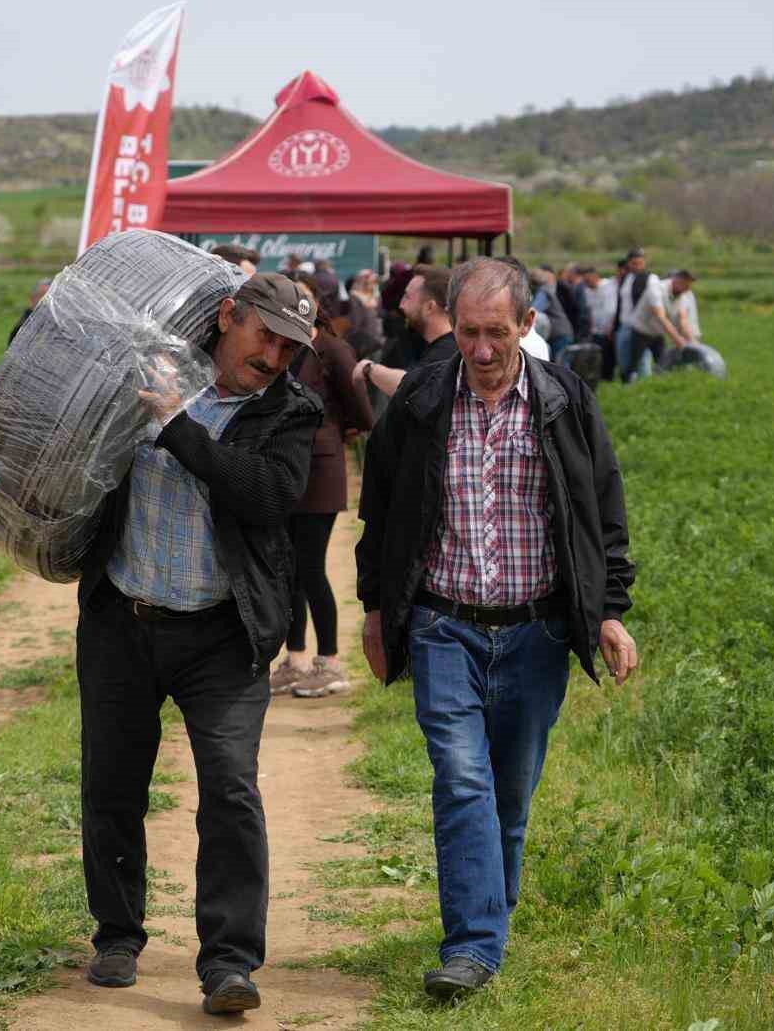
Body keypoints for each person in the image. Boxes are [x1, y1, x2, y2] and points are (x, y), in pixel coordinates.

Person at [0, 272, 322, 1016]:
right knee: (112, 786)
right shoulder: (143, 368)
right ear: (226, 316)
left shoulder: (288, 412)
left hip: (223, 630)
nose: (274, 356)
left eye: (289, 346)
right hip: (124, 618)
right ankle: (117, 935)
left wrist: (179, 425)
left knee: (231, 790)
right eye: (264, 336)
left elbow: (265, 495)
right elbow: (36, 392)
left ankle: (229, 962)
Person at [355, 257, 638, 1001]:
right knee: (462, 778)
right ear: (453, 324)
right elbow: (379, 512)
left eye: (497, 334)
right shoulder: (421, 399)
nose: (480, 351)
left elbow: (601, 507)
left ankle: (490, 910)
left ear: (527, 327)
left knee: (509, 795)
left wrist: (609, 610)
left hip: (535, 632)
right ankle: (474, 946)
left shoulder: (563, 399)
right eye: (469, 333)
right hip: (443, 625)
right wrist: (377, 609)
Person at [273, 284, 375, 699]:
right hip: (286, 469)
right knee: (289, 569)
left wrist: (339, 433)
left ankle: (330, 662)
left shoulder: (332, 350)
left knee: (310, 567)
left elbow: (362, 410)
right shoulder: (284, 346)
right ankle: (295, 659)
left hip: (321, 470)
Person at [354, 264, 455, 398]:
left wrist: (369, 369)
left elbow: (413, 386)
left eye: (407, 297)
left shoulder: (448, 353)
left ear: (430, 307)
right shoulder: (434, 345)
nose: (401, 305)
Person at [619, 258, 690, 383]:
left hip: (657, 333)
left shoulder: (682, 294)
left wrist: (691, 340)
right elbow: (660, 316)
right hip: (641, 330)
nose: (687, 290)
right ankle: (626, 385)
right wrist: (677, 339)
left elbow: (683, 319)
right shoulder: (656, 289)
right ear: (678, 281)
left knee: (662, 361)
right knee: (634, 361)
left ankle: (660, 385)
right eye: (686, 286)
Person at [588, 260, 621, 381]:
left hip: (608, 329)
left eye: (589, 279)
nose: (588, 283)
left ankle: (609, 378)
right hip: (596, 330)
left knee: (609, 356)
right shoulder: (589, 290)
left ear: (596, 276)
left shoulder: (607, 286)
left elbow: (610, 310)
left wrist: (610, 327)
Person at [344, 268, 384, 360]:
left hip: (363, 338)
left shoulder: (354, 295)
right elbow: (379, 314)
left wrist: (350, 337)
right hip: (376, 337)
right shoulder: (376, 297)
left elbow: (356, 320)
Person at [8, 278, 52, 346]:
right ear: (32, 298)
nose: (48, 300)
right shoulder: (23, 327)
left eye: (51, 296)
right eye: (43, 296)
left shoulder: (53, 321)